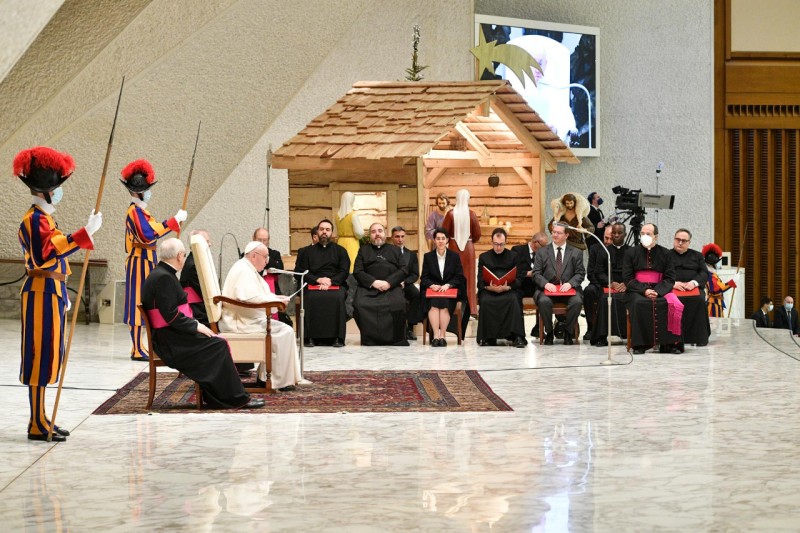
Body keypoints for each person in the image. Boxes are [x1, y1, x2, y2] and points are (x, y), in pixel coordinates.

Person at [15, 146, 103, 441]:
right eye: (56, 188)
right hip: (41, 290)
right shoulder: (35, 219)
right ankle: (36, 422)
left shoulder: (45, 218)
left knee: (50, 354)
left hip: (51, 290)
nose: (59, 192)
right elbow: (45, 255)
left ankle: (41, 417)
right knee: (39, 356)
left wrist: (84, 234)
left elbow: (56, 248)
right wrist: (85, 233)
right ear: (47, 191)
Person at [142, 238, 264, 409]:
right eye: (184, 255)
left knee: (215, 343)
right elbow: (171, 315)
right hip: (170, 341)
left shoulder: (161, 273)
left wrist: (195, 325)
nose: (184, 258)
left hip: (171, 335)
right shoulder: (164, 278)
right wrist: (196, 326)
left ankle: (216, 396)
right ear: (179, 256)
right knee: (217, 345)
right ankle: (235, 398)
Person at [219, 241, 310, 391]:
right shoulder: (243, 270)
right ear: (254, 256)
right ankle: (275, 381)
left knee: (285, 330)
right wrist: (274, 302)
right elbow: (248, 299)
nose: (267, 261)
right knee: (285, 332)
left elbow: (257, 295)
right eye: (265, 257)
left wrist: (276, 298)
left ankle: (269, 378)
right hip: (240, 322)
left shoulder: (247, 268)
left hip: (246, 318)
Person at [121, 159, 187, 361]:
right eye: (147, 190)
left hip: (147, 259)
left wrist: (173, 222)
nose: (149, 193)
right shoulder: (134, 212)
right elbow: (148, 234)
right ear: (140, 192)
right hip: (138, 261)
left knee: (149, 301)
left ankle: (145, 343)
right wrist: (173, 221)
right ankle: (136, 348)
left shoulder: (141, 211)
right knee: (137, 302)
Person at [623, 223, 682, 354]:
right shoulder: (630, 253)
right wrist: (644, 290)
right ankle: (640, 344)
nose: (644, 236)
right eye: (642, 234)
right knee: (639, 303)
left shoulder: (666, 253)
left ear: (656, 236)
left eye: (648, 234)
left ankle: (669, 344)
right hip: (637, 290)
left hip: (660, 289)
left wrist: (658, 291)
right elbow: (627, 278)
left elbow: (670, 278)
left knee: (671, 304)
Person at [294, 219, 350, 347]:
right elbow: (299, 271)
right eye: (322, 229)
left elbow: (344, 271)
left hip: (334, 283)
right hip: (312, 283)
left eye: (327, 229)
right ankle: (309, 338)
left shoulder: (341, 251)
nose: (324, 232)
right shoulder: (306, 252)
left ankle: (337, 338)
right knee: (310, 297)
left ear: (332, 233)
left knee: (338, 297)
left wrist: (330, 281)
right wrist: (317, 280)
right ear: (317, 232)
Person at [353, 223, 409, 346]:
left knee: (399, 304)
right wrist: (373, 282)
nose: (377, 234)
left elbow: (404, 269)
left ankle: (396, 339)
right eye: (373, 232)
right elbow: (357, 271)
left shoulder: (395, 250)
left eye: (380, 231)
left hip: (391, 287)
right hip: (369, 287)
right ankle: (369, 339)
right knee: (359, 304)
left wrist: (389, 282)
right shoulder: (363, 250)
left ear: (385, 234)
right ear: (370, 236)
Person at [532, 223, 585, 345]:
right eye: (554, 232)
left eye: (559, 233)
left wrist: (570, 284)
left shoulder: (576, 252)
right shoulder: (542, 252)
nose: (555, 235)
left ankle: (568, 332)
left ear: (566, 235)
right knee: (544, 302)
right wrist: (546, 284)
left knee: (577, 302)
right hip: (547, 290)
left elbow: (580, 273)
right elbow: (536, 273)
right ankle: (549, 332)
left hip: (568, 290)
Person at [477, 228, 527, 348]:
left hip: (509, 289)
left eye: (501, 244)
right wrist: (489, 287)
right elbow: (480, 279)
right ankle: (488, 337)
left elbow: (520, 278)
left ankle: (516, 336)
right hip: (489, 290)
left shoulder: (514, 256)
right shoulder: (484, 257)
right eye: (496, 244)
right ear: (491, 242)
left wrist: (508, 287)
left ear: (506, 242)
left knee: (513, 300)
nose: (498, 247)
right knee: (485, 300)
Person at [420, 228, 469, 346]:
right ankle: (435, 337)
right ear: (434, 240)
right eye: (438, 238)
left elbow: (459, 276)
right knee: (434, 304)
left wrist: (448, 285)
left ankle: (443, 336)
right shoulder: (428, 257)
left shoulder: (454, 256)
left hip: (449, 290)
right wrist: (432, 285)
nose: (441, 241)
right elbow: (424, 277)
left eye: (443, 238)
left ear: (447, 240)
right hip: (433, 291)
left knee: (444, 304)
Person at [587, 223, 630, 347]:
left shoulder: (632, 251)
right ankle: (601, 336)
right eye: (614, 233)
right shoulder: (604, 251)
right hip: (609, 285)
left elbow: (635, 271)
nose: (616, 235)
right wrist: (610, 283)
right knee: (604, 300)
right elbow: (598, 272)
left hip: (626, 286)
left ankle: (629, 333)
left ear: (625, 234)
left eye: (619, 233)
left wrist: (626, 284)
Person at [669, 229, 711, 349]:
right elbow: (661, 273)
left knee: (699, 299)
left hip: (692, 287)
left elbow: (704, 272)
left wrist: (694, 283)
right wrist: (672, 283)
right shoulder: (666, 255)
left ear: (689, 242)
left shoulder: (697, 256)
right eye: (678, 240)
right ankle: (673, 338)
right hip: (673, 287)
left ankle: (698, 337)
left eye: (684, 241)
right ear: (674, 240)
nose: (680, 243)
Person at [442, 189, 481, 315]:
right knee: (469, 279)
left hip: (453, 247)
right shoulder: (472, 214)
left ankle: (453, 307)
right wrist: (469, 241)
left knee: (453, 276)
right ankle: (471, 308)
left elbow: (444, 233)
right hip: (469, 249)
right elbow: (477, 234)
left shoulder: (450, 214)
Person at [511, 231, 549, 337]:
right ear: (535, 242)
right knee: (515, 297)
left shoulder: (544, 254)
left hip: (537, 286)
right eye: (543, 246)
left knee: (546, 298)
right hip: (521, 286)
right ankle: (519, 333)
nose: (545, 248)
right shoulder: (517, 250)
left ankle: (539, 328)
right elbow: (513, 270)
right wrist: (528, 274)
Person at [253, 227, 292, 327]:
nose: (262, 243)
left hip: (273, 289)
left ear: (268, 240)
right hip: (255, 289)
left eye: (264, 240)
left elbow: (279, 268)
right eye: (259, 240)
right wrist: (267, 267)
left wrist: (266, 258)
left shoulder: (274, 254)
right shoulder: (248, 254)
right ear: (253, 239)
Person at [391, 226, 420, 340]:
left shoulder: (411, 255)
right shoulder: (387, 252)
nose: (400, 239)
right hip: (391, 284)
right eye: (397, 237)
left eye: (402, 236)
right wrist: (394, 282)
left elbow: (415, 274)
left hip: (406, 284)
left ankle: (410, 328)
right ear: (392, 238)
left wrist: (405, 282)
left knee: (416, 295)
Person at [180, 229, 211, 326]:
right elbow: (205, 293)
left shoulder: (196, 260)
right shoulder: (194, 265)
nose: (210, 244)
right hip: (199, 313)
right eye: (207, 241)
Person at [702, 243, 737, 318]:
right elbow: (719, 288)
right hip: (713, 306)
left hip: (716, 304)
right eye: (716, 263)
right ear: (711, 264)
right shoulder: (710, 275)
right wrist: (732, 282)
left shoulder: (712, 274)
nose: (718, 264)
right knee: (715, 324)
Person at [335, 191, 364, 272]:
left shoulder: (337, 216)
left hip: (340, 242)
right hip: (352, 243)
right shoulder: (353, 215)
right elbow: (359, 233)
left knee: (340, 263)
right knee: (352, 264)